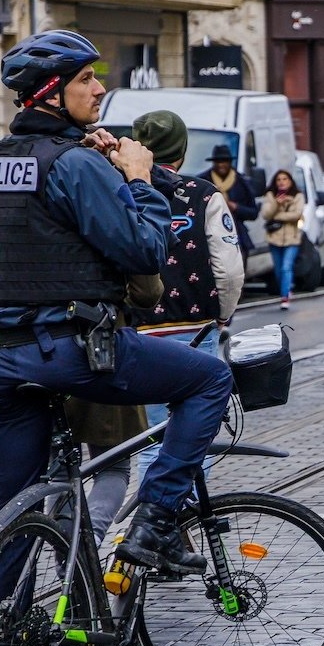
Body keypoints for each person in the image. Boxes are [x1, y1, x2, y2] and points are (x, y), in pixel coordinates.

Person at [0, 29, 233, 589]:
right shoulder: (74, 165)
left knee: (12, 518)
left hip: (1, 360)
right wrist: (139, 179)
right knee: (211, 379)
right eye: (86, 80)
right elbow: (142, 249)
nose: (99, 89)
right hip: (73, 352)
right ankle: (157, 521)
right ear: (49, 93)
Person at [125, 110, 244, 500]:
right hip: (196, 329)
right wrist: (222, 315)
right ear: (182, 148)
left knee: (151, 441)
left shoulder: (117, 191)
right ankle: (178, 526)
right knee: (193, 441)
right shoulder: (203, 194)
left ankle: (143, 531)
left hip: (139, 330)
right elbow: (227, 270)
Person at [259, 170, 305, 309]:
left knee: (286, 266)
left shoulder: (297, 196)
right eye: (278, 179)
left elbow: (297, 214)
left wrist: (278, 216)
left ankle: (284, 297)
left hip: (292, 238)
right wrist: (277, 205)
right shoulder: (270, 196)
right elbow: (266, 214)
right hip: (275, 238)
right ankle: (286, 288)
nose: (281, 182)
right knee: (278, 270)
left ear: (290, 181)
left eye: (285, 179)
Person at [201, 145, 257, 257]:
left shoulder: (241, 182)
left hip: (237, 235)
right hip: (210, 235)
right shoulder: (203, 181)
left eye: (225, 161)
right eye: (218, 161)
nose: (221, 164)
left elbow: (254, 212)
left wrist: (236, 207)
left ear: (230, 162)